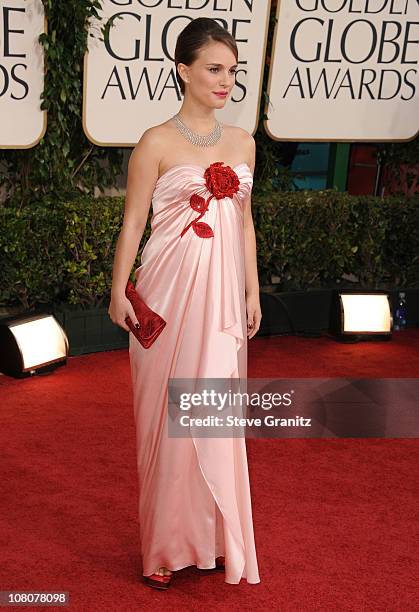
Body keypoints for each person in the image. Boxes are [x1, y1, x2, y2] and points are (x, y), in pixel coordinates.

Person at [108, 17, 262, 589]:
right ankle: (164, 549)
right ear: (184, 70)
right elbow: (132, 225)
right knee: (165, 423)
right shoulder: (155, 142)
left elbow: (245, 224)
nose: (225, 81)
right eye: (214, 69)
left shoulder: (243, 143)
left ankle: (213, 539)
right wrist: (118, 288)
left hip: (221, 302)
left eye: (232, 71)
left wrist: (251, 288)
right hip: (165, 298)